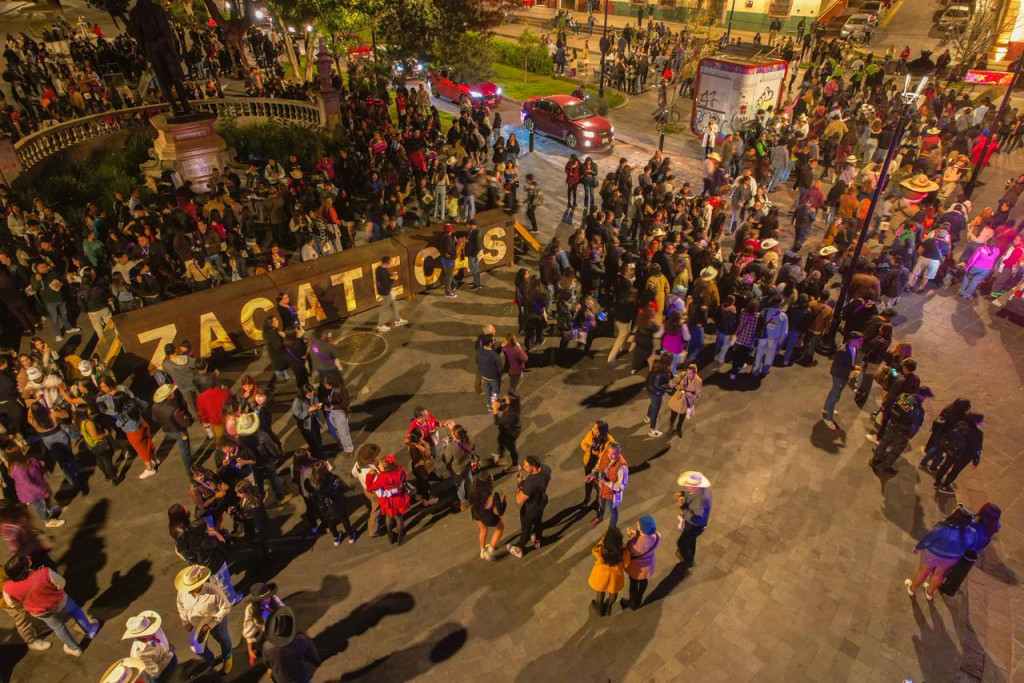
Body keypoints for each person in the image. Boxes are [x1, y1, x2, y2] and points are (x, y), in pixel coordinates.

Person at [3, 553, 100, 656]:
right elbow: (61, 583)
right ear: (25, 567)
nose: (28, 557)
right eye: (26, 559)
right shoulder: (45, 572)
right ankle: (90, 630)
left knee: (58, 627)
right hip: (60, 601)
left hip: (40, 612)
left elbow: (12, 604)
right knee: (75, 611)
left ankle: (74, 649)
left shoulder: (7, 587)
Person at [905, 506, 977, 601]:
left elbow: (928, 539)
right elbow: (969, 546)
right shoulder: (972, 533)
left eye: (954, 511)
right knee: (939, 575)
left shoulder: (943, 528)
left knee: (923, 572)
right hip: (950, 559)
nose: (952, 511)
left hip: (932, 554)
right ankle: (929, 592)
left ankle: (912, 588)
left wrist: (918, 547)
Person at [174, 564, 234, 673]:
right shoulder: (182, 592)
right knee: (197, 648)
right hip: (197, 625)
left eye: (191, 588)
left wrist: (211, 625)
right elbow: (180, 606)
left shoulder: (214, 591)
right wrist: (186, 622)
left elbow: (226, 607)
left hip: (216, 623)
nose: (188, 591)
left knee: (224, 640)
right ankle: (210, 661)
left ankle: (228, 657)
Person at [869, 387, 933, 474]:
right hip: (902, 432)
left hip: (892, 425)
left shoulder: (904, 397)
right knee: (895, 451)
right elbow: (915, 425)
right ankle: (884, 466)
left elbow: (894, 407)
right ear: (923, 396)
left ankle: (875, 460)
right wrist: (909, 436)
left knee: (884, 443)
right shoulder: (918, 410)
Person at [4, 443, 65, 527]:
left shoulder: (22, 460)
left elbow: (30, 463)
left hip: (39, 486)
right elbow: (27, 484)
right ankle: (47, 520)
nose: (22, 449)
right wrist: (42, 491)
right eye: (19, 450)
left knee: (46, 500)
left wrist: (38, 463)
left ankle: (49, 511)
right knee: (40, 505)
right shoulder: (17, 468)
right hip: (32, 493)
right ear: (16, 455)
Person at [262, 606, 321, 683]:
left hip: (282, 679)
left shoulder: (266, 646)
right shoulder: (302, 639)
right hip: (302, 676)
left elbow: (268, 663)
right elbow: (315, 658)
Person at [304, 460, 357, 545]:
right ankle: (351, 536)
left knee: (330, 522)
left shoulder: (311, 482)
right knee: (344, 519)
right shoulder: (334, 479)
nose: (329, 464)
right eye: (327, 464)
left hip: (323, 506)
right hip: (336, 504)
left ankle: (336, 538)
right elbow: (344, 487)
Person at [507, 455, 551, 559]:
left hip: (530, 509)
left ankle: (518, 550)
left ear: (534, 467)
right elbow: (547, 479)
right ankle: (537, 541)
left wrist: (519, 486)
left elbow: (519, 500)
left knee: (526, 531)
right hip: (542, 501)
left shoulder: (530, 483)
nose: (523, 467)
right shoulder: (546, 468)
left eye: (526, 466)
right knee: (538, 521)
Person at [821, 332, 863, 430]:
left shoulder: (854, 347)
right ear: (853, 340)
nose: (861, 342)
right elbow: (839, 367)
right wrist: (853, 368)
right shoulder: (842, 351)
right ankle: (828, 418)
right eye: (859, 340)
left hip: (844, 375)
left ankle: (826, 408)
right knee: (835, 396)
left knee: (834, 393)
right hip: (839, 376)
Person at [934, 413, 985, 494]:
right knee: (955, 471)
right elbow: (977, 448)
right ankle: (944, 486)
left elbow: (949, 435)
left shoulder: (960, 424)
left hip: (952, 451)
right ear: (977, 422)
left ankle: (937, 483)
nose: (983, 422)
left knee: (945, 466)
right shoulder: (978, 434)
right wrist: (975, 461)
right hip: (964, 456)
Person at [366, 454, 411, 545]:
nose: (378, 466)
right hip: (399, 498)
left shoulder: (382, 478)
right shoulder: (401, 470)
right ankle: (400, 538)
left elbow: (369, 488)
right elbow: (405, 477)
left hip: (388, 501)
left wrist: (370, 475)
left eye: (379, 465)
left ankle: (390, 537)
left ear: (385, 469)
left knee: (389, 517)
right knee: (399, 518)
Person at [121, 610, 176, 681]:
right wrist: (170, 654)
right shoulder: (141, 654)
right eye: (149, 631)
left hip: (170, 657)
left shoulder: (154, 628)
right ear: (140, 636)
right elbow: (156, 672)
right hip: (164, 674)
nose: (154, 630)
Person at [920, 398, 972, 472]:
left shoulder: (948, 410)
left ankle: (923, 462)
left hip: (939, 433)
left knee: (935, 448)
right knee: (941, 454)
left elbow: (939, 420)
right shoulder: (960, 417)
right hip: (947, 437)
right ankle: (933, 467)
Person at [587, 526, 630, 617]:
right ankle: (609, 608)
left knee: (600, 590)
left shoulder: (601, 549)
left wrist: (602, 540)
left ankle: (600, 609)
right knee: (613, 592)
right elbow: (626, 564)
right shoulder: (624, 551)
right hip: (616, 576)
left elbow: (594, 551)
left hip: (602, 574)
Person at [151, 384, 194, 472]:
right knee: (185, 450)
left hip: (167, 430)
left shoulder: (155, 406)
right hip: (179, 432)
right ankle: (189, 468)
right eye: (172, 392)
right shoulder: (174, 409)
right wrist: (189, 419)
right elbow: (185, 423)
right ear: (168, 396)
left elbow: (154, 419)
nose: (173, 392)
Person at [674, 470, 712, 568]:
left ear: (695, 486)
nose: (686, 486)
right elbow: (692, 494)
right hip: (697, 526)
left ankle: (687, 562)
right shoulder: (703, 490)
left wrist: (683, 507)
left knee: (682, 543)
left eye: (688, 485)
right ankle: (690, 555)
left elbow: (696, 520)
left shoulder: (700, 501)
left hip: (694, 527)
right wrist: (683, 494)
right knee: (690, 541)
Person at [587, 441, 628, 528]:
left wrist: (606, 483)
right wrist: (593, 475)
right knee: (601, 504)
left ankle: (612, 530)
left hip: (611, 493)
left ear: (619, 453)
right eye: (609, 452)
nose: (610, 456)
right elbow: (598, 466)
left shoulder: (622, 467)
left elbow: (621, 486)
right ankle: (600, 517)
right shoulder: (605, 453)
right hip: (602, 487)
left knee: (613, 512)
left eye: (613, 454)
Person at [622, 515, 660, 611]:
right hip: (648, 565)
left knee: (633, 584)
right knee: (644, 581)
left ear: (641, 529)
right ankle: (639, 598)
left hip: (636, 568)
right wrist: (637, 534)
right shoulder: (656, 536)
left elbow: (628, 552)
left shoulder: (634, 544)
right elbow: (646, 540)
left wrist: (632, 538)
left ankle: (633, 603)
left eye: (639, 524)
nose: (637, 524)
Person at [242, 582, 284, 668]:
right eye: (263, 599)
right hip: (264, 632)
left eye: (268, 597)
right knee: (263, 648)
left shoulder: (274, 599)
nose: (267, 599)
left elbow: (283, 611)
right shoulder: (250, 609)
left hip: (277, 629)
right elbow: (248, 630)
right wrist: (250, 650)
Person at [439, 422, 477, 511]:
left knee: (460, 485)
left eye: (452, 433)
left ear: (456, 436)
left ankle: (462, 502)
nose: (451, 434)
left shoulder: (451, 447)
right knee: (469, 480)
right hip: (467, 464)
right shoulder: (469, 438)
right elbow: (473, 448)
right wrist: (455, 428)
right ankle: (472, 496)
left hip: (457, 470)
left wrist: (444, 447)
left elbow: (446, 460)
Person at [468, 473, 505, 561]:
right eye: (491, 480)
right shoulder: (494, 495)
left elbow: (471, 502)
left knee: (483, 530)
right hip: (489, 517)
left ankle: (482, 550)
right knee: (500, 528)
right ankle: (490, 550)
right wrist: (504, 502)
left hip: (477, 513)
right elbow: (500, 512)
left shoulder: (473, 490)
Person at [666, 364, 703, 438]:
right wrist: (673, 383)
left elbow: (698, 394)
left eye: (690, 373)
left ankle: (679, 428)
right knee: (673, 414)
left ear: (695, 373)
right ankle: (671, 427)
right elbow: (676, 381)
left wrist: (691, 395)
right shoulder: (683, 374)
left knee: (682, 415)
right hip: (678, 397)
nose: (688, 375)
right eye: (688, 372)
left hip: (687, 400)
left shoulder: (698, 381)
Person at [375, 255, 408, 331]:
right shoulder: (383, 272)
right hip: (385, 292)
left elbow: (384, 276)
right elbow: (386, 284)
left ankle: (398, 320)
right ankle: (380, 325)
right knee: (385, 308)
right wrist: (392, 280)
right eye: (390, 263)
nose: (390, 264)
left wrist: (391, 275)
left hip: (384, 291)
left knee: (393, 305)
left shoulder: (379, 268)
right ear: (386, 263)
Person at [291, 385, 325, 459]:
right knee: (314, 443)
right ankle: (321, 458)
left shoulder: (313, 395)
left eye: (313, 393)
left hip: (315, 421)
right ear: (303, 393)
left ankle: (317, 455)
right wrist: (309, 410)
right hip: (305, 426)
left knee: (318, 440)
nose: (312, 396)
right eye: (309, 395)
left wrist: (317, 406)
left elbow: (316, 401)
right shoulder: (297, 402)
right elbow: (299, 416)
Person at [492, 392, 522, 473]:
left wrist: (495, 411)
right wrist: (498, 405)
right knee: (501, 441)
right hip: (505, 431)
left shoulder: (512, 414)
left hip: (510, 434)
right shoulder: (512, 406)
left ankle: (515, 465)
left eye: (507, 398)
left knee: (511, 448)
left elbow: (498, 422)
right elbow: (504, 407)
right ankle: (501, 459)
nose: (505, 397)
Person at [644, 353, 672, 437]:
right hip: (656, 393)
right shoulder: (661, 374)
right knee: (655, 411)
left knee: (652, 404)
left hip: (650, 390)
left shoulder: (657, 365)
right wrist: (668, 386)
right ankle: (652, 430)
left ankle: (648, 417)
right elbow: (657, 386)